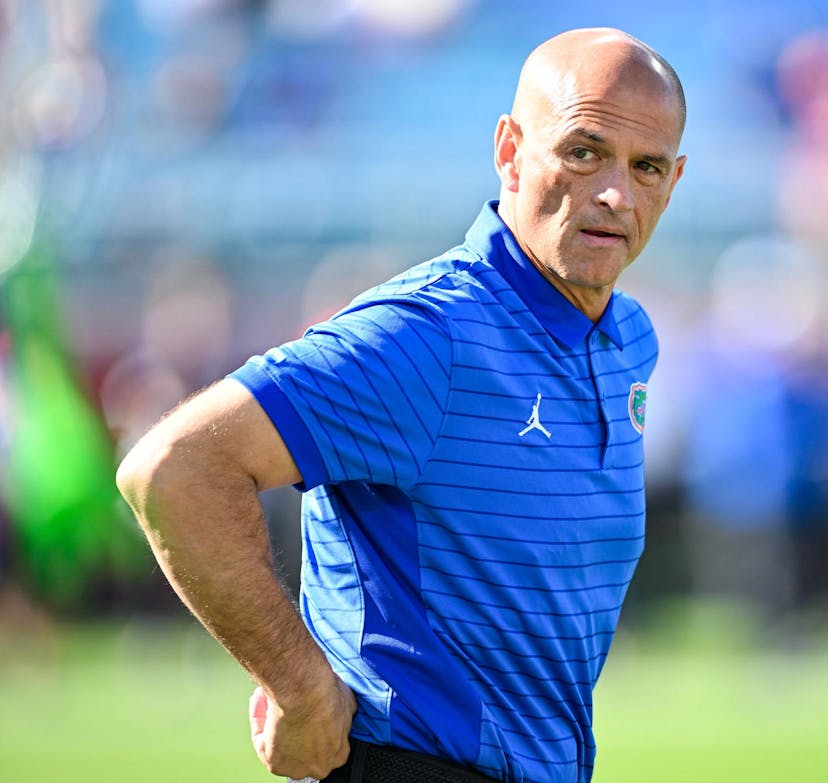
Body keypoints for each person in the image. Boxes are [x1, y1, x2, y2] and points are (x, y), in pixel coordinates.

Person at [117, 26, 686, 783]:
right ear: (511, 150)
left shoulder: (628, 340)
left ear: (673, 183)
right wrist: (301, 687)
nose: (615, 192)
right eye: (583, 151)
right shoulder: (432, 333)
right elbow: (174, 468)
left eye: (645, 167)